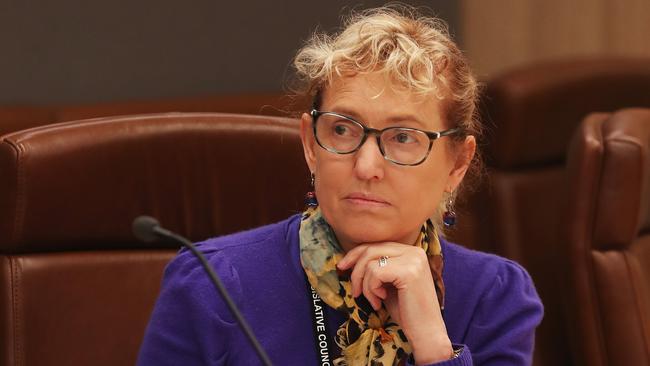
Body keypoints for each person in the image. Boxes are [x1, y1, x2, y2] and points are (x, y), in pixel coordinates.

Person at [137, 5, 543, 366]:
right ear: (311, 144)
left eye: (403, 137)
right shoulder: (212, 284)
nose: (366, 166)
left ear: (457, 163)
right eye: (343, 130)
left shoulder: (494, 297)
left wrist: (436, 348)